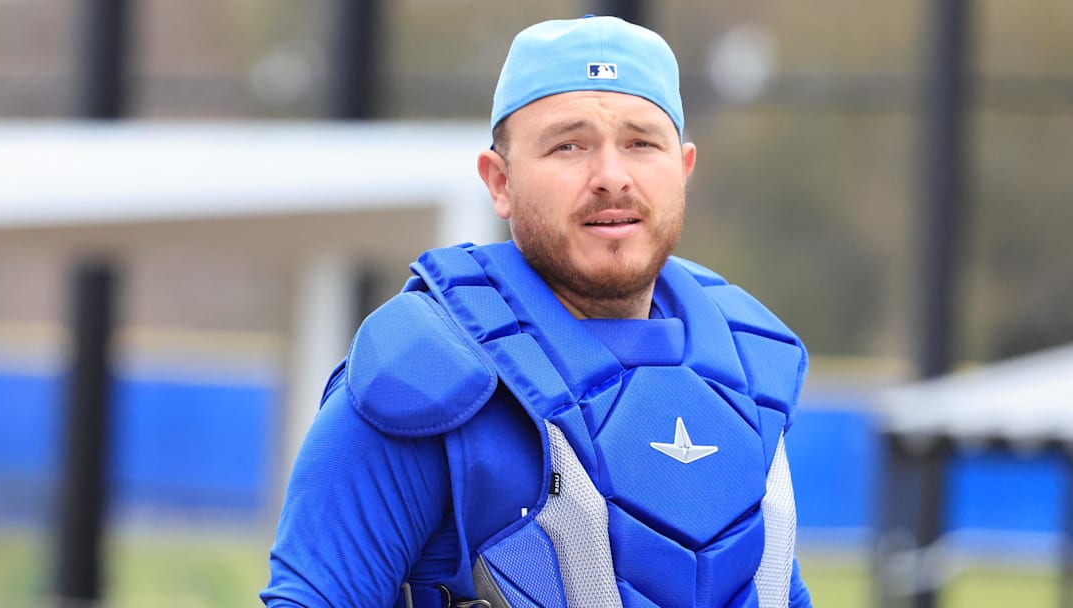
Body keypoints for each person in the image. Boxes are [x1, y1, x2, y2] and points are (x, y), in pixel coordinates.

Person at [262, 15, 812, 608]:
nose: (611, 177)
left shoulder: (745, 368)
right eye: (569, 145)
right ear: (499, 182)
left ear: (682, 171)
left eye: (641, 143)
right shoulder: (423, 372)